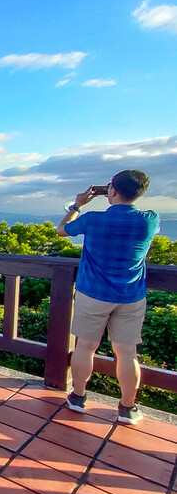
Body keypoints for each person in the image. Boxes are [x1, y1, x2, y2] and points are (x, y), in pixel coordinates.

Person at [57, 170, 160, 425]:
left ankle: (78, 397)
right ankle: (127, 408)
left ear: (111, 191)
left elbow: (62, 230)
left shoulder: (92, 220)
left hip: (92, 293)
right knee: (127, 353)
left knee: (85, 347)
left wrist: (77, 205)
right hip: (130, 296)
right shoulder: (149, 220)